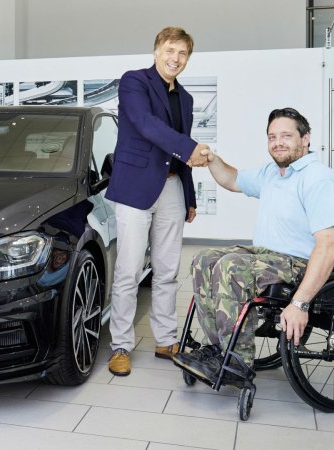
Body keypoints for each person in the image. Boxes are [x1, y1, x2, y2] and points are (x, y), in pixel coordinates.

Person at [172, 107, 334, 385]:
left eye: (286, 136)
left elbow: (328, 246)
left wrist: (299, 304)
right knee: (203, 259)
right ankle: (217, 348)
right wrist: (212, 159)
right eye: (272, 137)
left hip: (301, 262)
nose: (277, 142)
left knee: (230, 268)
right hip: (269, 257)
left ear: (305, 139)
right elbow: (232, 179)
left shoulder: (320, 179)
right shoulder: (273, 173)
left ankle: (237, 362)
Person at [105, 26, 210, 376]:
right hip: (135, 188)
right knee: (129, 270)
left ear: (188, 58)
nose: (175, 59)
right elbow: (146, 124)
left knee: (167, 271)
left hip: (172, 189)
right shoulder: (134, 81)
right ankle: (121, 345)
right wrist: (190, 148)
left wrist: (189, 195)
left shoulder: (186, 99)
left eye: (182, 53)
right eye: (170, 50)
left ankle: (165, 340)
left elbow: (182, 154)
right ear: (156, 52)